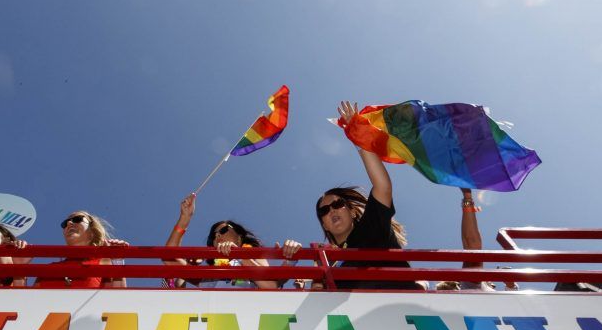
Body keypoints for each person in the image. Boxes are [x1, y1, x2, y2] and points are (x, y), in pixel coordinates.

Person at [316, 100, 418, 290]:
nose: (331, 211)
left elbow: (383, 187)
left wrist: (359, 136)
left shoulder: (372, 227)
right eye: (324, 210)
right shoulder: (330, 264)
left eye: (337, 204)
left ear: (352, 212)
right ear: (324, 224)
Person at [165, 193, 300, 289]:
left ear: (239, 237)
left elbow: (270, 285)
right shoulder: (208, 273)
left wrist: (238, 253)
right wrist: (185, 219)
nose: (218, 237)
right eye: (213, 237)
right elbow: (169, 259)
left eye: (223, 231)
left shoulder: (254, 256)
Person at [436, 188, 518, 292]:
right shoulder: (472, 286)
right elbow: (472, 247)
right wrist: (467, 198)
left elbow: (472, 247)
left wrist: (510, 284)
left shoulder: (475, 287)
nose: (493, 283)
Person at [33, 210, 126, 289]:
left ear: (92, 231)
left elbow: (118, 301)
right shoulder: (48, 270)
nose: (69, 223)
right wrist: (19, 267)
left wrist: (117, 261)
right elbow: (26, 304)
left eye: (77, 219)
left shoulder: (105, 263)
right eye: (65, 223)